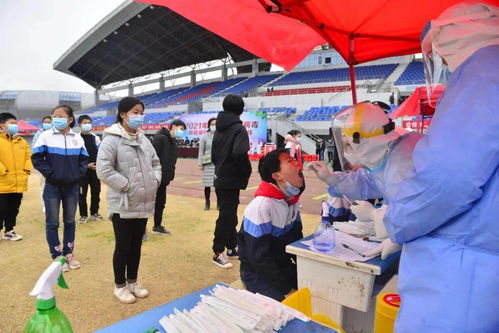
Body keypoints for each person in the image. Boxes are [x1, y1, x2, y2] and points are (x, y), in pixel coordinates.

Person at [382, 4, 498, 331]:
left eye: (443, 58)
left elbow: (447, 179)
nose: (444, 66)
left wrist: (396, 218)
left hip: (463, 276)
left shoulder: (483, 72)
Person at [96, 97, 161, 304]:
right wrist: (127, 185)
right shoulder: (111, 139)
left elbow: (156, 163)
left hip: (143, 202)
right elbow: (103, 170)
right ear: (123, 114)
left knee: (136, 245)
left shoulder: (144, 139)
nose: (139, 116)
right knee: (123, 246)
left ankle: (133, 281)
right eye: (135, 111)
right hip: (123, 203)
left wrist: (154, 180)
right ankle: (120, 285)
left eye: (141, 112)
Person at [238, 149, 304, 301]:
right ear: (277, 176)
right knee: (287, 309)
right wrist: (287, 290)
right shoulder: (261, 207)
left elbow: (296, 241)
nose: (297, 163)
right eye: (290, 161)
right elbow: (258, 259)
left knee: (316, 287)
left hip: (282, 266)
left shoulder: (291, 200)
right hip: (257, 273)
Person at [32, 105, 88, 271]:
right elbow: (36, 158)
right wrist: (51, 174)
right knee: (52, 222)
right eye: (54, 115)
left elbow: (83, 161)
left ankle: (69, 253)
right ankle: (57, 255)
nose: (56, 118)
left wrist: (76, 176)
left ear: (70, 119)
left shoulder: (78, 138)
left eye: (60, 116)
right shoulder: (45, 136)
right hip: (52, 187)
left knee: (70, 221)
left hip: (72, 187)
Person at [211, 94, 251, 268]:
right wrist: (246, 170)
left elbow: (213, 155)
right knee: (226, 216)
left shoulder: (219, 128)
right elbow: (240, 153)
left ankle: (231, 247)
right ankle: (217, 251)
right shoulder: (238, 129)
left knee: (228, 214)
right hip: (231, 178)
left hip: (220, 176)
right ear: (240, 111)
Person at [0, 112, 31, 241]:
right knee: (1, 209)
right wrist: (3, 171)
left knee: (14, 208)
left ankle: (9, 230)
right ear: (2, 125)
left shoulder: (21, 140)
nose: (15, 125)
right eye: (11, 123)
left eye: (15, 123)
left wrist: (26, 170)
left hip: (19, 182)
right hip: (2, 181)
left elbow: (28, 157)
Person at [151, 119, 186, 235]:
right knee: (148, 202)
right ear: (174, 126)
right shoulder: (161, 138)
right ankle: (141, 230)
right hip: (154, 177)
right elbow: (152, 157)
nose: (181, 132)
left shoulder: (173, 142)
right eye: (181, 129)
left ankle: (157, 225)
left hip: (164, 178)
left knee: (160, 202)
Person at [77, 115, 102, 223]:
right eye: (85, 123)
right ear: (79, 125)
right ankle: (83, 215)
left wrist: (98, 166)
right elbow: (75, 157)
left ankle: (94, 213)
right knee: (82, 194)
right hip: (82, 171)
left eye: (89, 122)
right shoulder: (76, 138)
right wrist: (87, 165)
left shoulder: (95, 138)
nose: (87, 125)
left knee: (96, 192)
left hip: (95, 170)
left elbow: (101, 153)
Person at [32, 116, 52, 212]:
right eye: (45, 122)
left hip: (54, 163)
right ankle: (45, 205)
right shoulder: (38, 134)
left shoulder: (55, 133)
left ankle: (54, 205)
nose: (47, 124)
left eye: (49, 122)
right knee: (43, 185)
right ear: (42, 123)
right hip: (43, 165)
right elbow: (34, 149)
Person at [198, 117, 218, 211]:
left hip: (218, 163)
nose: (214, 126)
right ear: (209, 125)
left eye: (216, 124)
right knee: (207, 185)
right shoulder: (205, 136)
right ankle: (207, 202)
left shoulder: (220, 135)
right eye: (212, 124)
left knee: (218, 184)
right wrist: (200, 163)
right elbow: (201, 151)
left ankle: (219, 202)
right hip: (207, 163)